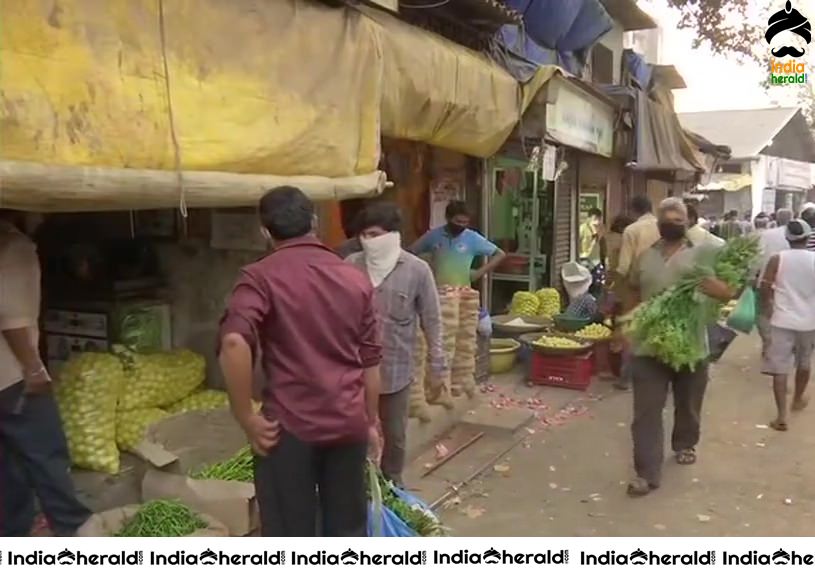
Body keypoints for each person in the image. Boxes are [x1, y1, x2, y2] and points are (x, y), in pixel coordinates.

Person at [219, 187, 382, 537]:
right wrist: (370, 421)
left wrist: (245, 414)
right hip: (348, 422)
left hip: (289, 429)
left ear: (265, 231)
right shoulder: (355, 278)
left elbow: (234, 341)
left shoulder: (259, 277)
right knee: (348, 531)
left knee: (290, 532)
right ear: (314, 222)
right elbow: (370, 361)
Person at [625, 198, 735, 496]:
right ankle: (646, 473)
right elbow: (634, 291)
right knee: (646, 412)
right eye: (666, 219)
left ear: (688, 222)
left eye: (678, 219)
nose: (671, 223)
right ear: (658, 224)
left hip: (691, 344)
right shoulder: (646, 257)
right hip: (649, 344)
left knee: (688, 403)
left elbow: (732, 288)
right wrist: (624, 327)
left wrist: (721, 291)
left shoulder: (707, 253)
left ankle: (685, 443)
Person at [0, 210, 91, 536]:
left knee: (8, 466)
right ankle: (74, 531)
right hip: (11, 377)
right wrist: (33, 367)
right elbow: (11, 318)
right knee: (47, 455)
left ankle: (13, 535)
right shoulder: (12, 246)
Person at [346, 203, 445, 486]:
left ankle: (392, 485)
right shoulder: (350, 266)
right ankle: (361, 487)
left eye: (375, 234)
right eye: (364, 236)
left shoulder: (417, 271)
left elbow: (433, 321)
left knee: (395, 436)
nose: (369, 242)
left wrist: (437, 367)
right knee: (357, 435)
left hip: (396, 373)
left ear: (392, 235)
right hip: (354, 374)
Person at [759, 220, 815, 432]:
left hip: (782, 320)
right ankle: (798, 399)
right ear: (808, 237)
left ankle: (781, 415)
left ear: (788, 238)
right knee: (804, 362)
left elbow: (765, 285)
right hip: (810, 321)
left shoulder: (777, 259)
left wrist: (768, 308)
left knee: (780, 368)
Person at [410, 201, 506, 287]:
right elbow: (410, 252)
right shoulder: (433, 235)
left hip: (462, 294)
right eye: (458, 221)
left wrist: (478, 273)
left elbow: (500, 254)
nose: (461, 225)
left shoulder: (472, 237)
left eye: (465, 222)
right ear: (448, 218)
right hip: (437, 293)